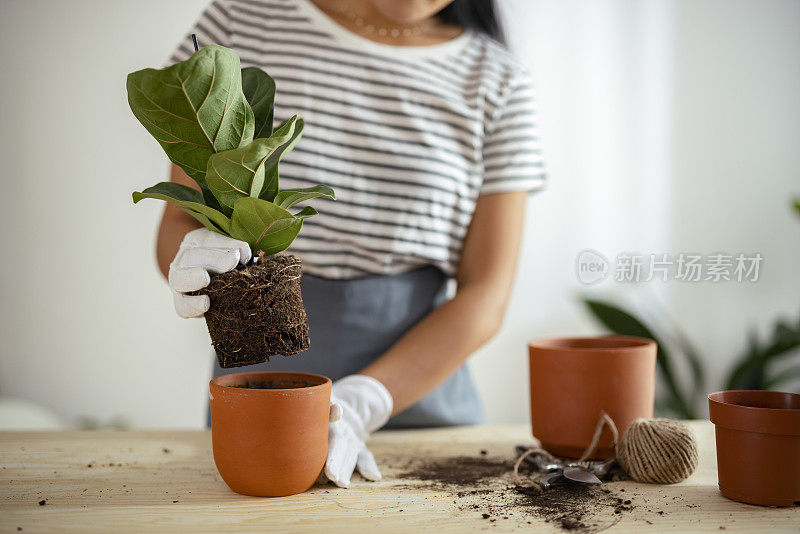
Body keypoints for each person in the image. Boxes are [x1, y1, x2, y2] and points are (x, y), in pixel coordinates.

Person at [159, 0, 545, 488]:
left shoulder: (499, 79)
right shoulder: (243, 21)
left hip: (423, 413)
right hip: (264, 398)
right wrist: (194, 257)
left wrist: (365, 399)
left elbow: (487, 294)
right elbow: (178, 217)